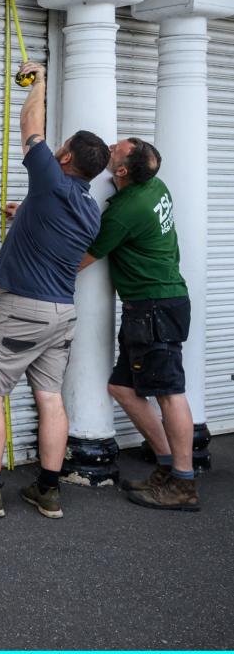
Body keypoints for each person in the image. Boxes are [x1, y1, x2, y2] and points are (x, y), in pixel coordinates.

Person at [0, 61, 110, 519]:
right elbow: (55, 233)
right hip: (61, 314)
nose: (56, 149)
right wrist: (27, 215)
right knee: (49, 397)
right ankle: (48, 491)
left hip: (22, 312)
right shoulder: (87, 208)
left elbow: (29, 124)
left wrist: (40, 82)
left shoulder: (50, 180)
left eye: (63, 147)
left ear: (67, 158)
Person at [78, 138, 198, 511]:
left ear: (124, 171)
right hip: (154, 304)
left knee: (170, 392)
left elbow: (86, 256)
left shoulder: (127, 210)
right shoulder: (155, 184)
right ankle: (167, 465)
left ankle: (183, 482)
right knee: (122, 388)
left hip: (154, 307)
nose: (111, 145)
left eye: (117, 149)